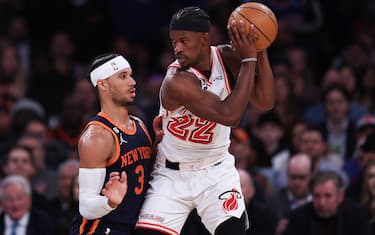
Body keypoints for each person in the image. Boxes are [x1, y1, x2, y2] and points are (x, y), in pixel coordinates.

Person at [135, 6, 274, 235]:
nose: (177, 48)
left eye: (184, 41)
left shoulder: (227, 57)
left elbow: (265, 101)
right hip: (171, 175)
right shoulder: (176, 80)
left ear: (204, 38)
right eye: (173, 42)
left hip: (216, 170)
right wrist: (249, 61)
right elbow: (231, 115)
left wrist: (260, 49)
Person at [70, 53, 154, 235]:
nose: (132, 82)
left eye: (131, 75)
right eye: (123, 76)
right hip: (101, 229)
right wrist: (109, 202)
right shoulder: (97, 136)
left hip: (133, 226)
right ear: (103, 84)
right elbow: (85, 205)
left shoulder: (139, 124)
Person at [284, 170, 370, 235]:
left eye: (328, 196)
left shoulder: (357, 215)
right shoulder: (298, 217)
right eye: (317, 196)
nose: (322, 203)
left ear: (340, 197)